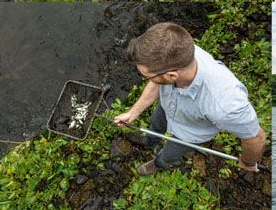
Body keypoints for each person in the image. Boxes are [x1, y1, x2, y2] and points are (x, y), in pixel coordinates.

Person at [114, 22, 266, 176]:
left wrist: (248, 162)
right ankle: (151, 141)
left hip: (188, 134)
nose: (148, 79)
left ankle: (159, 163)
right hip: (168, 106)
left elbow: (256, 138)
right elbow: (156, 82)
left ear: (172, 75)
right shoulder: (178, 52)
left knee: (169, 154)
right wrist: (133, 113)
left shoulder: (225, 105)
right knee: (156, 123)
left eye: (147, 76)